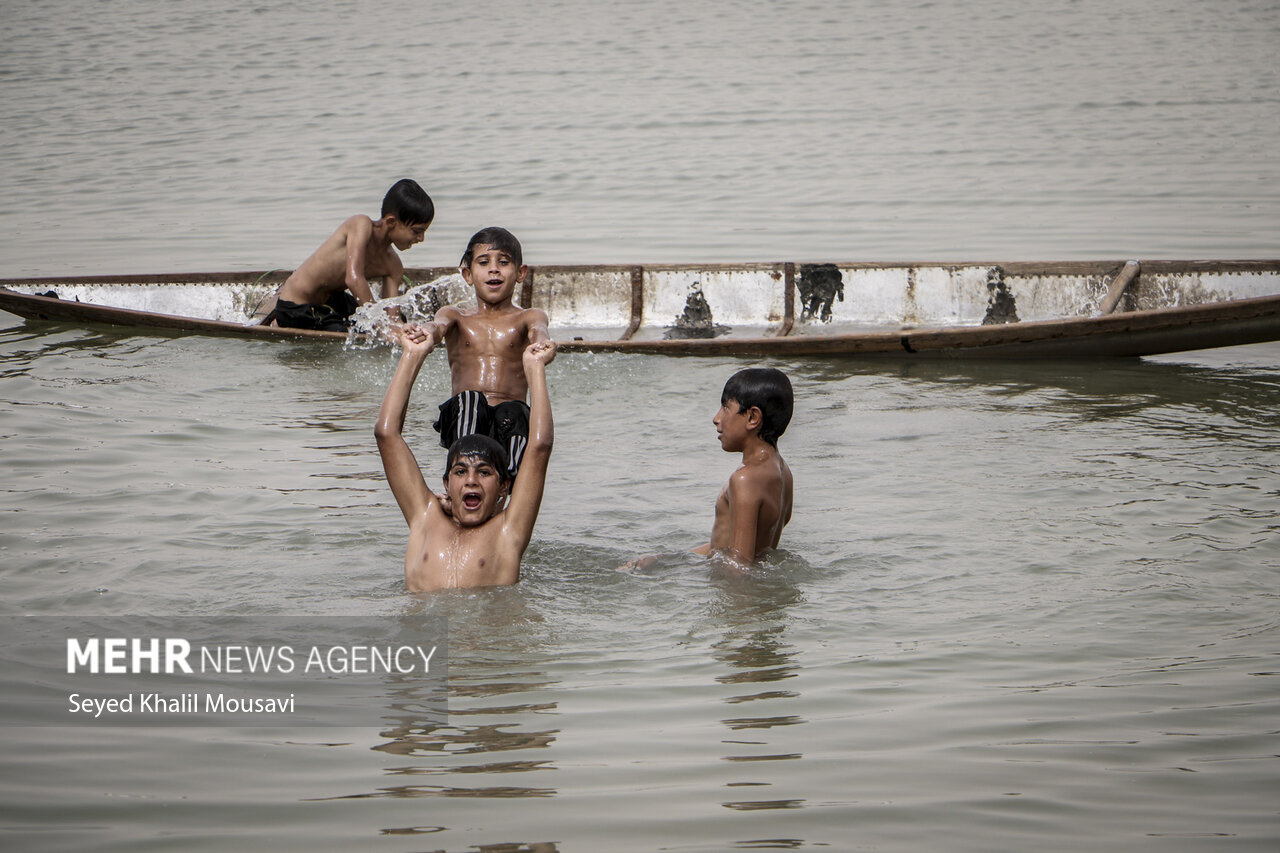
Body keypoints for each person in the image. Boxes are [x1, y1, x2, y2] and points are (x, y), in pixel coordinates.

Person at [375, 325, 556, 592]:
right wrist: (412, 356)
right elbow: (386, 434)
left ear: (504, 486)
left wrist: (535, 369)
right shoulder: (425, 519)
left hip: (486, 633)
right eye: (461, 472)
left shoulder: (508, 532)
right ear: (446, 483)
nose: (471, 481)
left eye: (483, 472)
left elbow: (539, 448)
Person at [411, 227, 554, 478]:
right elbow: (437, 327)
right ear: (468, 274)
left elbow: (539, 330)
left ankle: (509, 483)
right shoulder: (455, 315)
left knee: (516, 411)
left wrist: (542, 346)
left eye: (504, 262)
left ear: (521, 273)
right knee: (470, 400)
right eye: (484, 262)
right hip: (464, 417)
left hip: (509, 422)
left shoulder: (527, 316)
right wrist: (425, 332)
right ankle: (463, 473)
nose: (494, 269)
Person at [272, 179, 434, 331]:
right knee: (357, 332)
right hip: (296, 304)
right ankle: (278, 323)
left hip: (332, 301)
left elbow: (392, 318)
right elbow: (354, 279)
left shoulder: (393, 265)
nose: (421, 239)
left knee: (396, 322)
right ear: (391, 222)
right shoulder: (361, 225)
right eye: (416, 231)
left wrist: (399, 328)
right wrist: (379, 325)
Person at [691, 367, 794, 565]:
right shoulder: (782, 471)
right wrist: (670, 560)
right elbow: (754, 549)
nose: (716, 418)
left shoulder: (745, 480)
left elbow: (739, 565)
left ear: (753, 417)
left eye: (725, 407)